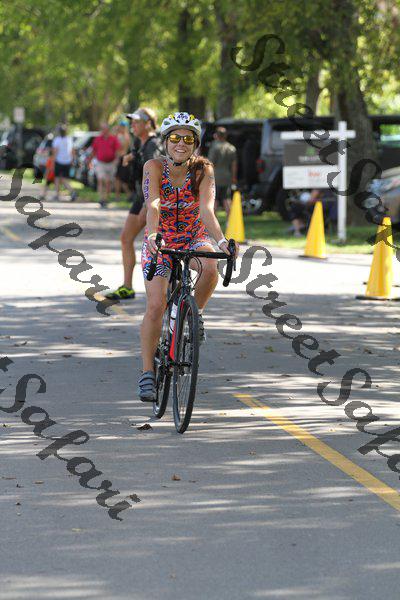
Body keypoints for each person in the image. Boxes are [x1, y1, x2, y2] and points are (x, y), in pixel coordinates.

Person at [137, 112, 239, 402]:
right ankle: (147, 372)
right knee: (155, 306)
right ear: (165, 141)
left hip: (194, 236)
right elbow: (153, 204)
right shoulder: (153, 167)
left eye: (188, 139)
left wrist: (222, 241)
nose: (181, 143)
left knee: (210, 267)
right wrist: (153, 235)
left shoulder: (203, 170)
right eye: (175, 137)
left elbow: (207, 210)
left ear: (196, 143)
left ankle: (195, 315)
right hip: (161, 239)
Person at [105, 107, 161, 300]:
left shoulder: (154, 144)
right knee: (126, 238)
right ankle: (127, 287)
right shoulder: (139, 143)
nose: (133, 125)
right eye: (132, 122)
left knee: (158, 244)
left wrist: (148, 205)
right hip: (140, 196)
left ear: (148, 124)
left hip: (150, 199)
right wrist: (131, 157)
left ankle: (168, 287)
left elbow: (156, 176)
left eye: (137, 122)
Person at [207, 126, 237, 215]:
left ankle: (213, 220)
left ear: (216, 135)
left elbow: (210, 163)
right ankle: (230, 220)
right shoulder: (231, 147)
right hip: (227, 176)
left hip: (215, 176)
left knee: (214, 199)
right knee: (226, 199)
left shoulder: (215, 147)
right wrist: (234, 177)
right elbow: (234, 164)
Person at [91, 122, 120, 208]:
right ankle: (101, 198)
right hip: (101, 163)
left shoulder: (113, 139)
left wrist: (116, 160)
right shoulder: (97, 139)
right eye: (102, 129)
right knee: (101, 179)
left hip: (111, 163)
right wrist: (90, 161)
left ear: (108, 130)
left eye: (105, 129)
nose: (104, 131)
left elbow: (117, 151)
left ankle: (106, 199)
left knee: (108, 182)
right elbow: (93, 151)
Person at [52, 125, 77, 201]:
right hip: (67, 161)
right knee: (65, 179)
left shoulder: (57, 140)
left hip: (59, 161)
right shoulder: (69, 139)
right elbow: (72, 151)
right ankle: (72, 191)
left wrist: (53, 161)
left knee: (57, 178)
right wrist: (73, 160)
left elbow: (55, 151)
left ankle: (57, 195)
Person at [114, 120, 131, 201]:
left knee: (122, 179)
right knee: (118, 178)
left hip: (122, 158)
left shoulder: (125, 136)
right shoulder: (121, 135)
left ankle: (128, 195)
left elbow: (120, 147)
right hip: (120, 158)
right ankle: (119, 196)